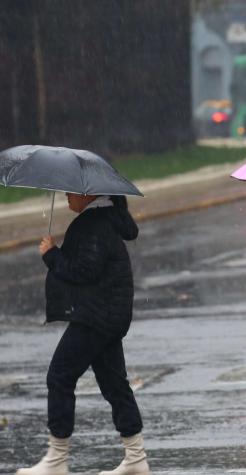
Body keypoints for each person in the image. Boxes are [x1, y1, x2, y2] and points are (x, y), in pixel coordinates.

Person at [18, 193, 149, 475]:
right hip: (108, 314)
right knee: (115, 384)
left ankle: (56, 461)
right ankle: (136, 458)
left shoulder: (92, 223)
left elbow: (84, 271)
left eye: (70, 191)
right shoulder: (105, 220)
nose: (66, 194)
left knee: (60, 376)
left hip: (95, 316)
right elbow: (93, 267)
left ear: (89, 194)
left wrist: (51, 255)